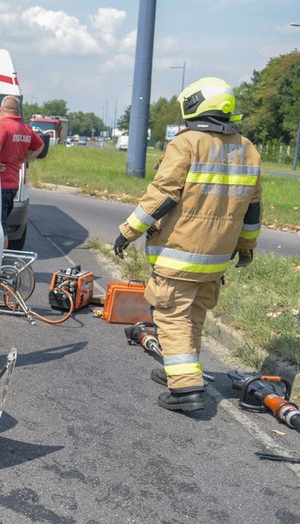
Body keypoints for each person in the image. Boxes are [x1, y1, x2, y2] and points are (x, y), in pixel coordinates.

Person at [113, 77, 262, 412]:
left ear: (194, 105)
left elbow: (163, 195)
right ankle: (179, 371)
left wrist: (128, 231)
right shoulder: (248, 148)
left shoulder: (187, 143)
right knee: (193, 316)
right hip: (217, 257)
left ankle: (185, 390)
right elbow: (252, 209)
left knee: (172, 316)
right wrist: (246, 247)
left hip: (179, 253)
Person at [0, 95, 44, 248]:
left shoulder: (0, 126)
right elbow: (39, 147)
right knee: (1, 224)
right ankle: (0, 257)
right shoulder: (25, 129)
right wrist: (22, 160)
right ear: (18, 111)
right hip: (11, 184)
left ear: (0, 110)